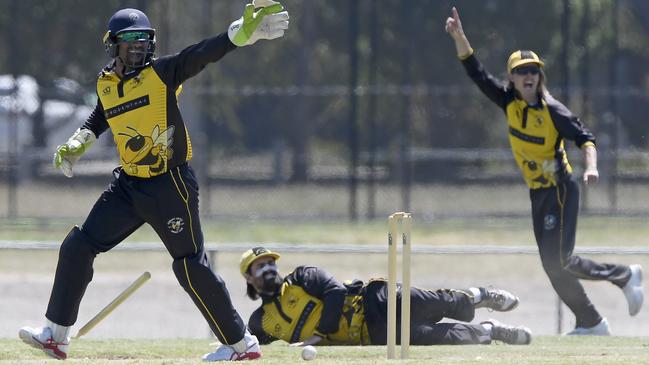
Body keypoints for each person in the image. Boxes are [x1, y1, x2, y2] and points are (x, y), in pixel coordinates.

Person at [19, 3, 289, 361]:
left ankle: (241, 345)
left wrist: (239, 33)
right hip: (129, 187)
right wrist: (78, 142)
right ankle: (56, 335)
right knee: (78, 247)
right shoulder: (106, 82)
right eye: (129, 42)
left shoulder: (162, 73)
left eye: (142, 41)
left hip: (170, 185)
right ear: (112, 45)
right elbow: (102, 113)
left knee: (190, 266)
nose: (137, 48)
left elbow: (201, 54)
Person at [444, 7, 644, 335]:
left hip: (561, 189)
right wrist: (459, 37)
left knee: (560, 260)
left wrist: (591, 166)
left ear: (539, 76)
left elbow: (586, 138)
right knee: (553, 266)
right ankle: (591, 322)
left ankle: (623, 276)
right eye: (521, 71)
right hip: (538, 193)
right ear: (511, 77)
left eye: (533, 71)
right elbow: (475, 71)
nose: (528, 76)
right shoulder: (508, 101)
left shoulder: (553, 111)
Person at [239, 247, 532, 347]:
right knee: (435, 336)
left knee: (437, 303)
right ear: (249, 278)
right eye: (260, 266)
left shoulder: (302, 277)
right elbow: (248, 342)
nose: (268, 268)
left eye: (271, 263)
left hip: (373, 300)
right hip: (370, 334)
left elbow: (335, 291)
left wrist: (319, 334)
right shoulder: (262, 321)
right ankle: (492, 333)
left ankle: (481, 296)